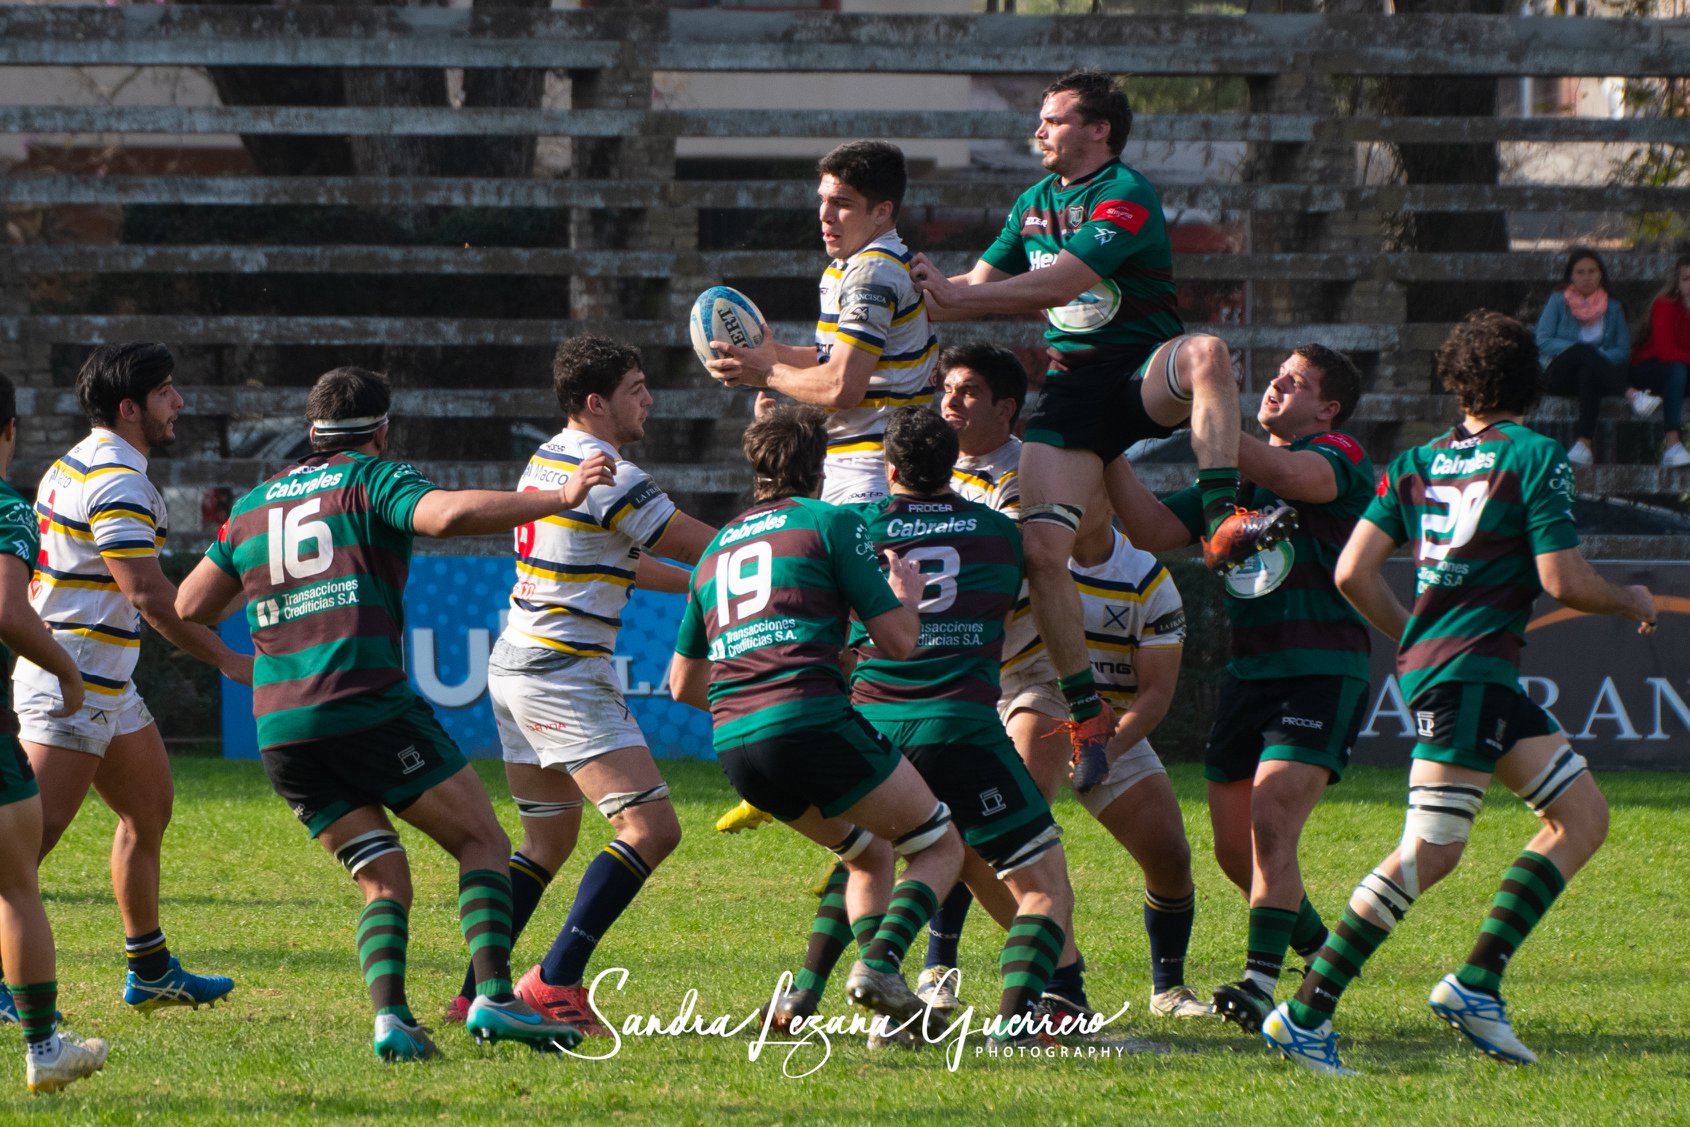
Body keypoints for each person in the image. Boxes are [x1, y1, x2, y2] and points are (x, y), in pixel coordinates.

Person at [1262, 311, 1657, 1076]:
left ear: (1455, 377)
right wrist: (1631, 597)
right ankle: (1307, 1010)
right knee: (1430, 851)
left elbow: (1351, 573)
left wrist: (1413, 632)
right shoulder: (1537, 454)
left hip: (1466, 671)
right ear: (1531, 382)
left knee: (1581, 816)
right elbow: (1562, 580)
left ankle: (1477, 982)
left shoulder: (1414, 460)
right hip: (1471, 671)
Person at [177, 366, 601, 1061]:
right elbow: (444, 516)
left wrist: (241, 645)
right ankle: (494, 997)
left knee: (383, 877)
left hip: (281, 727)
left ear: (311, 432)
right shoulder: (370, 478)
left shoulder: (251, 506)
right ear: (380, 429)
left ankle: (393, 1019)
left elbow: (191, 603)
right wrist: (561, 494)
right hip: (363, 703)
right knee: (483, 843)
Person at [908, 68, 1286, 791]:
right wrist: (910, 287)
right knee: (1043, 550)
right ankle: (1085, 718)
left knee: (1205, 351)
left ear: (1098, 129)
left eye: (1052, 120)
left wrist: (958, 294)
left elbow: (1059, 286)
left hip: (1140, 373)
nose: (1039, 131)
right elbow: (967, 298)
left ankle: (1221, 522)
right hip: (1076, 391)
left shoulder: (1125, 193)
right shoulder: (1032, 202)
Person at [440, 336, 716, 1033]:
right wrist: (782, 553)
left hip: (516, 665)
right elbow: (699, 544)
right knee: (650, 827)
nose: (648, 398)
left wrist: (702, 589)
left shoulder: (551, 458)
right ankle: (554, 981)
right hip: (563, 671)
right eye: (636, 386)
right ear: (597, 402)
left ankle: (476, 990)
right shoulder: (613, 475)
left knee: (546, 842)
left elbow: (632, 557)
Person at [931, 343, 1207, 1022]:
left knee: (1167, 854)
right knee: (992, 834)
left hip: (1087, 711)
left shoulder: (1139, 574)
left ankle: (1165, 984)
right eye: (947, 390)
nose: (950, 403)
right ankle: (961, 968)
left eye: (967, 391)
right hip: (998, 688)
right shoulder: (938, 476)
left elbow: (1157, 693)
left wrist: (1106, 741)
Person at [669, 405, 964, 1031]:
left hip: (736, 745)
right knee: (939, 843)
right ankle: (881, 965)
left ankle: (808, 1000)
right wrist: (907, 599)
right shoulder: (830, 522)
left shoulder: (714, 552)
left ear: (755, 469)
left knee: (868, 854)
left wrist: (756, 700)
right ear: (820, 466)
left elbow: (681, 684)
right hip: (810, 720)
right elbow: (900, 642)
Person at [1108, 345, 1373, 1032]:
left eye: (1298, 381)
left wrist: (1212, 416)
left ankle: (1259, 985)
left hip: (1320, 667)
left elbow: (1291, 473)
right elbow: (1147, 528)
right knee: (1236, 853)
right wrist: (1103, 448)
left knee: (1272, 815)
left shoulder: (1339, 455)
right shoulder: (1231, 485)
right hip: (1249, 672)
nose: (1278, 384)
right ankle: (1323, 952)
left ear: (1329, 408)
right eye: (1276, 375)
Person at [15, 342, 243, 1015]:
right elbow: (147, 595)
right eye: (167, 391)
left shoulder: (78, 462)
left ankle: (149, 968)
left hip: (103, 680)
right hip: (73, 683)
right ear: (130, 406)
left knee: (147, 810)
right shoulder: (115, 479)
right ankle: (10, 981)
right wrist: (226, 656)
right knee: (25, 845)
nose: (179, 403)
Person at [704, 139, 937, 506]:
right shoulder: (849, 265)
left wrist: (767, 373)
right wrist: (762, 355)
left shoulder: (871, 272)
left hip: (875, 467)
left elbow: (842, 387)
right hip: (853, 461)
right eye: (823, 199)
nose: (824, 214)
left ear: (881, 212)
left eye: (842, 203)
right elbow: (836, 359)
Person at [0, 373, 109, 1093]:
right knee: (15, 884)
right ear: (8, 429)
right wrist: (66, 671)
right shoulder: (8, 508)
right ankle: (44, 1046)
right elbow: (9, 610)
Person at [1535, 246, 1649, 466]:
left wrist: (1593, 359)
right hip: (1559, 374)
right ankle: (1633, 395)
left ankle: (1583, 444)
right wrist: (1585, 352)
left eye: (1592, 271)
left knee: (1588, 369)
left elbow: (1622, 350)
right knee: (1582, 351)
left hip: (1596, 377)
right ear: (1571, 276)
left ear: (1600, 274)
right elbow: (1544, 340)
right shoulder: (1558, 301)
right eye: (1580, 272)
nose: (1587, 277)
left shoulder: (1613, 307)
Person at [1628, 251, 1690, 467]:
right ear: (1678, 282)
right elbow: (1667, 353)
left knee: (1679, 372)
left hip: (1681, 371)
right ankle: (1672, 444)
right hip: (1648, 369)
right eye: (1686, 279)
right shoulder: (1665, 304)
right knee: (1676, 370)